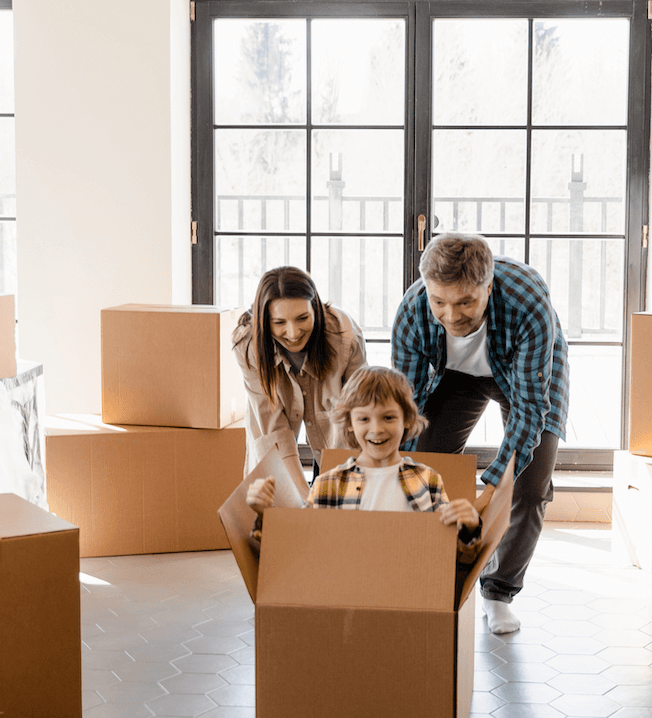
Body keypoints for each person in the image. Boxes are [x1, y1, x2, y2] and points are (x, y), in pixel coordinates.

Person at [392, 233, 569, 634]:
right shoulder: (413, 311)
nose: (451, 316)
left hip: (524, 375)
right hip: (453, 377)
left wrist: (488, 492)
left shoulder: (527, 302)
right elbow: (405, 407)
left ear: (488, 287)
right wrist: (391, 471)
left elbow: (529, 412)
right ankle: (427, 570)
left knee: (527, 486)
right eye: (440, 302)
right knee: (421, 462)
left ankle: (497, 592)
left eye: (466, 302)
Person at [247, 366, 480, 550]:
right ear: (349, 425)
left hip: (407, 594)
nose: (376, 429)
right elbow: (300, 546)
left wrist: (469, 526)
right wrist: (264, 515)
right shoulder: (328, 485)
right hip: (348, 597)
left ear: (407, 420)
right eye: (364, 419)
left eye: (388, 417)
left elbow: (450, 552)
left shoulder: (427, 480)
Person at [233, 266, 367, 476]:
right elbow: (273, 428)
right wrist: (303, 499)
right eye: (279, 322)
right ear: (264, 321)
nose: (293, 333)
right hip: (273, 429)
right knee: (278, 494)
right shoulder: (249, 345)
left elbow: (358, 413)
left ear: (316, 309)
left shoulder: (346, 336)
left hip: (337, 430)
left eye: (303, 318)